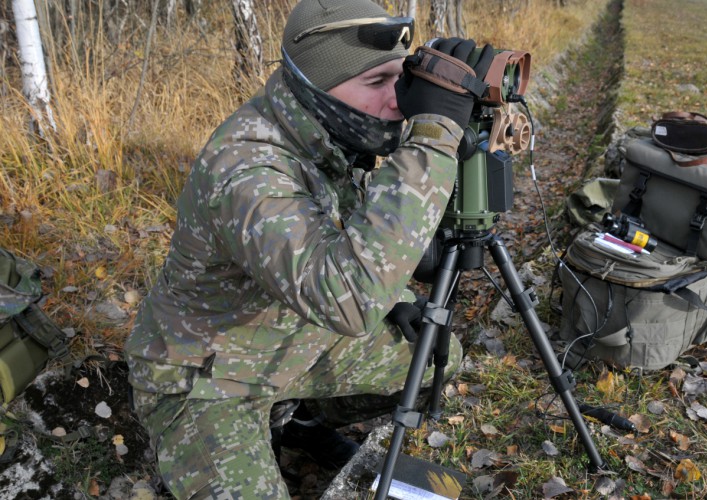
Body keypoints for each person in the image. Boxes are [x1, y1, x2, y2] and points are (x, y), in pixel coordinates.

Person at [124, 0, 493, 497]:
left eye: (399, 81)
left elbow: (352, 235)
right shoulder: (247, 169)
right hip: (204, 376)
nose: (398, 103)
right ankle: (246, 426)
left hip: (291, 337)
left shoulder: (334, 129)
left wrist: (399, 295)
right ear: (314, 84)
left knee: (432, 358)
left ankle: (295, 419)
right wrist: (432, 139)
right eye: (376, 83)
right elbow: (351, 300)